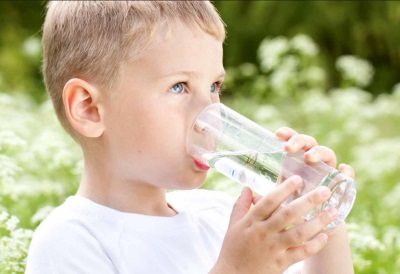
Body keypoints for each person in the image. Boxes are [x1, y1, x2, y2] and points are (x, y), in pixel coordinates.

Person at [26, 1, 354, 273]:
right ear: (89, 109)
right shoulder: (70, 241)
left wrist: (323, 219)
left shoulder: (220, 215)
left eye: (214, 87)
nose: (208, 114)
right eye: (179, 87)